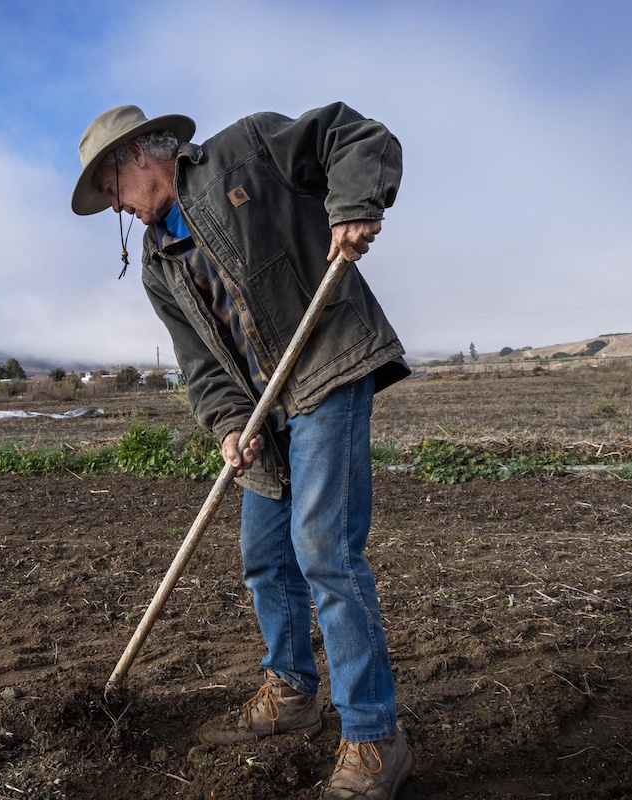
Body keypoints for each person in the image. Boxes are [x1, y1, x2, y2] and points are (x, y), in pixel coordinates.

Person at [71, 103, 412, 800]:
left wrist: (353, 204)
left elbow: (356, 135)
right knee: (264, 553)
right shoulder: (157, 268)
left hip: (324, 367)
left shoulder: (246, 150)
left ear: (138, 156)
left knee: (325, 550)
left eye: (111, 189)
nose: (116, 206)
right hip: (263, 412)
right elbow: (199, 365)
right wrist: (228, 424)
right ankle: (290, 691)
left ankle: (375, 737)